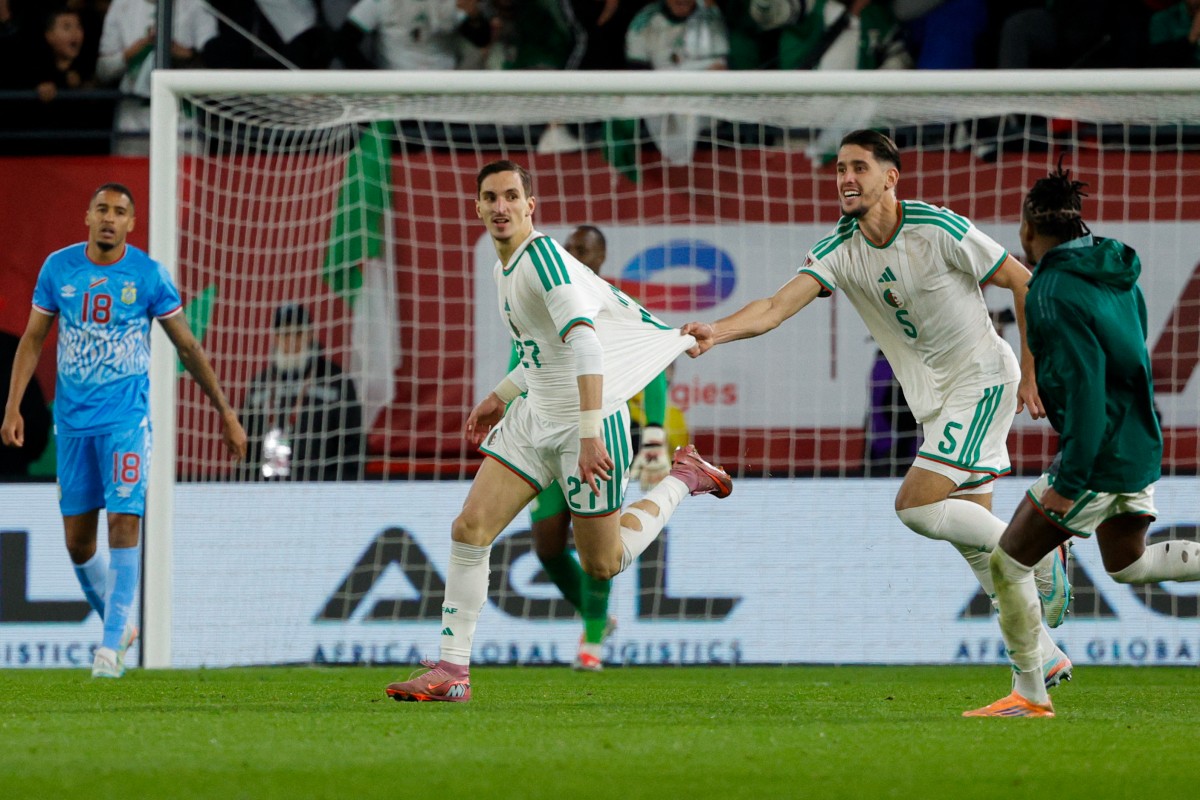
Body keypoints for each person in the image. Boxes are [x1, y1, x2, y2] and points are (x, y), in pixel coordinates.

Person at [682, 130, 1074, 687]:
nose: (845, 178)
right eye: (840, 168)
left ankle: (1037, 550)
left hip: (982, 381)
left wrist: (1031, 372)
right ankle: (1040, 659)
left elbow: (1026, 283)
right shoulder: (838, 248)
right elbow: (773, 307)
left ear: (890, 177)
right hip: (934, 404)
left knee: (915, 506)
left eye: (859, 167)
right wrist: (715, 332)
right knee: (969, 541)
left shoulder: (938, 228)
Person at [385, 160, 732, 702]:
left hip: (585, 423)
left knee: (602, 562)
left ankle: (685, 479)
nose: (500, 207)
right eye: (490, 197)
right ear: (477, 207)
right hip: (534, 418)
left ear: (530, 206)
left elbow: (587, 345)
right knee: (469, 529)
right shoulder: (505, 268)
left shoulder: (543, 260)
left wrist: (592, 434)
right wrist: (499, 397)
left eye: (510, 197)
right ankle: (453, 671)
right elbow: (541, 352)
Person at [963, 165, 1200, 718]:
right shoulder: (1116, 269)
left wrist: (1069, 483)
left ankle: (1030, 691)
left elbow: (1089, 389)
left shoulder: (1050, 289)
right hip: (1139, 443)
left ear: (1028, 230)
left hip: (1096, 455)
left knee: (1007, 563)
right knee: (1129, 565)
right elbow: (1130, 360)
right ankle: (1030, 690)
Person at [1, 183, 247, 679]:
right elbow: (32, 340)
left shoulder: (148, 275)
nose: (110, 218)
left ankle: (109, 650)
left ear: (132, 223)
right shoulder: (58, 269)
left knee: (124, 522)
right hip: (72, 425)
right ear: (87, 216)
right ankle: (120, 627)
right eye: (102, 210)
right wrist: (12, 407)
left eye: (120, 212)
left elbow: (188, 349)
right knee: (77, 543)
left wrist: (225, 411)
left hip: (126, 422)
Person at [521, 224, 673, 672]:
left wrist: (655, 433)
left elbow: (654, 369)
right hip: (546, 435)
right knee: (547, 546)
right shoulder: (546, 301)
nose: (574, 254)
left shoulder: (612, 305)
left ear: (601, 258)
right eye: (569, 249)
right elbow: (523, 361)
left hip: (599, 435)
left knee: (595, 548)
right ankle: (597, 618)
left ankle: (590, 642)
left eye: (583, 250)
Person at [238, 303, 365, 482]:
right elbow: (243, 446)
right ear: (275, 337)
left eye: (297, 333)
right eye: (285, 334)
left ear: (310, 334)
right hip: (266, 494)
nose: (291, 341)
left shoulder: (337, 382)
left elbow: (353, 445)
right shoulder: (260, 385)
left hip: (322, 492)